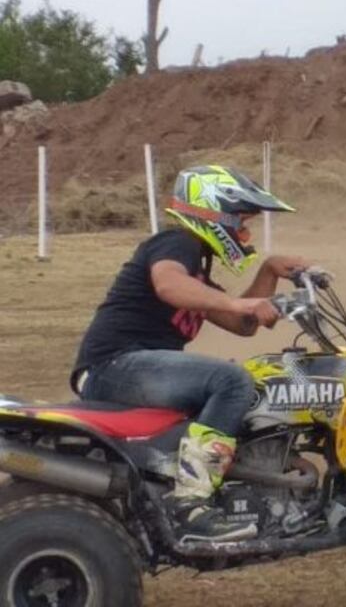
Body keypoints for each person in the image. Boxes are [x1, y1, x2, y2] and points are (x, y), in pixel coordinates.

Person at [71, 165, 306, 541]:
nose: (245, 233)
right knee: (230, 381)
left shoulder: (196, 269)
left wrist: (269, 272)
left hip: (128, 368)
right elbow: (168, 285)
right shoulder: (176, 243)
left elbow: (240, 324)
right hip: (114, 365)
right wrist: (240, 304)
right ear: (215, 213)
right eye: (242, 220)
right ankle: (190, 503)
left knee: (248, 379)